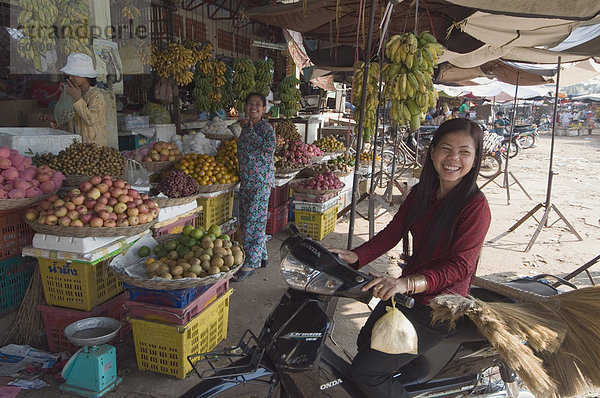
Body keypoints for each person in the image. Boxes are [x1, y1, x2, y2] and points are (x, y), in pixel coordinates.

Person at [329, 118, 491, 398]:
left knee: (367, 372)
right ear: (432, 152)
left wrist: (406, 283)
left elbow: (460, 265)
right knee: (366, 342)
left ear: (475, 159)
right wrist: (355, 256)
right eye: (446, 148)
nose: (453, 158)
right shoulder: (421, 193)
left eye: (464, 151)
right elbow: (393, 232)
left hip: (439, 307)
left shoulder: (476, 206)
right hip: (408, 297)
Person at [234, 92, 276, 282]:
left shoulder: (265, 128)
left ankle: (250, 264)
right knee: (248, 219)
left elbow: (268, 148)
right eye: (250, 103)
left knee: (253, 223)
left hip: (259, 182)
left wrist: (250, 131)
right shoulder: (245, 128)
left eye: (257, 104)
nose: (253, 107)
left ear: (264, 109)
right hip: (247, 181)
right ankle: (263, 256)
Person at [60, 53, 107, 146]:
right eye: (69, 75)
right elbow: (74, 120)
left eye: (74, 75)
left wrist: (78, 99)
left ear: (85, 75)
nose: (70, 77)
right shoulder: (75, 93)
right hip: (79, 146)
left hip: (94, 147)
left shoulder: (96, 95)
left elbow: (91, 120)